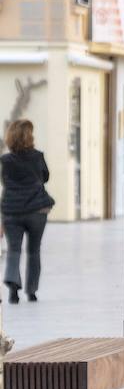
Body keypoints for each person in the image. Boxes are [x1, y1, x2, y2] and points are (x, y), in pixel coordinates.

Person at [1, 119, 54, 303]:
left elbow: (5, 183)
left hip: (12, 211)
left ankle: (13, 289)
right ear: (29, 136)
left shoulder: (5, 161)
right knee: (34, 250)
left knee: (13, 250)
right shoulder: (38, 157)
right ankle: (31, 291)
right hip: (36, 209)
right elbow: (45, 177)